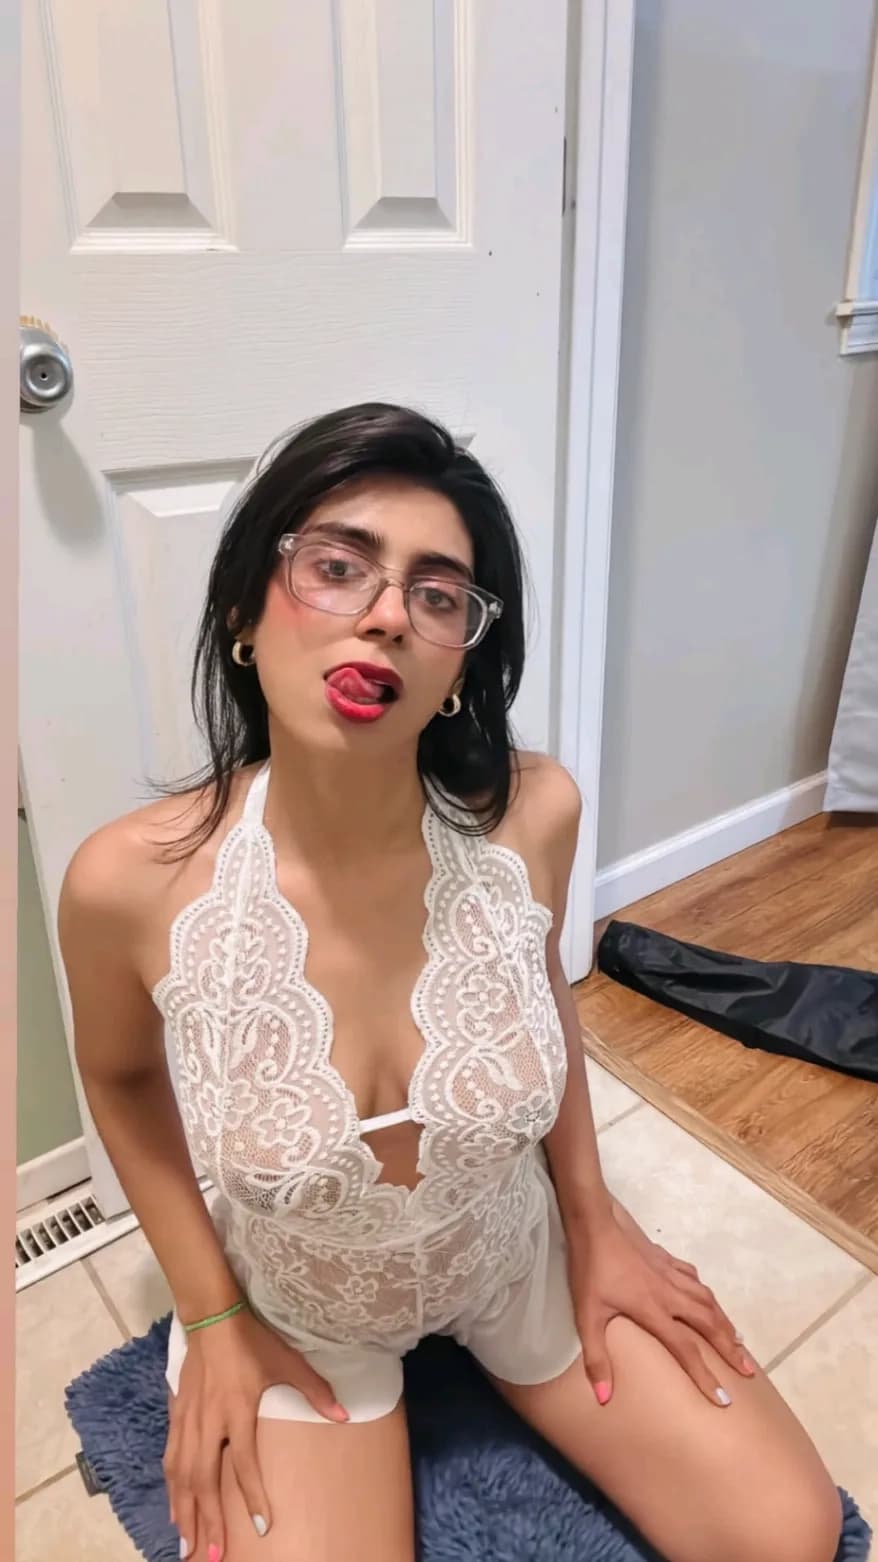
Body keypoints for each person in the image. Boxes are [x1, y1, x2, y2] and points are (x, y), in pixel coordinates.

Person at [59, 405, 842, 1562]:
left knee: (786, 1533)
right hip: (301, 1302)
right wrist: (212, 1312)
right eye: (337, 566)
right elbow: (122, 1080)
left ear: (461, 663)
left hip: (506, 1248)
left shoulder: (533, 814)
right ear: (242, 612)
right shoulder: (130, 882)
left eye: (436, 594)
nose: (386, 615)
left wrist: (593, 1216)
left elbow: (539, 998)